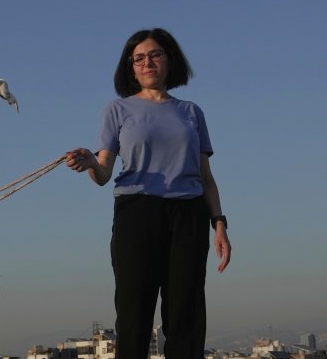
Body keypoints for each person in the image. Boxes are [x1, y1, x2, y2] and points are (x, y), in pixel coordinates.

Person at [67, 27, 231, 359]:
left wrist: (219, 223)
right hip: (136, 212)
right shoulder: (117, 110)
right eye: (138, 58)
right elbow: (103, 173)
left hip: (188, 214)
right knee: (134, 311)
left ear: (169, 60)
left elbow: (206, 178)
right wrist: (88, 163)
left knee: (186, 310)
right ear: (131, 66)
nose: (147, 62)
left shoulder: (191, 112)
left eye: (155, 54)